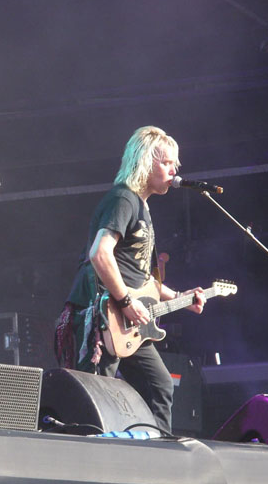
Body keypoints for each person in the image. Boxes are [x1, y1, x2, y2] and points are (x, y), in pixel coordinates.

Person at [55, 126, 205, 433]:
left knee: (159, 385)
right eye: (167, 162)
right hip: (103, 314)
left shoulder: (141, 206)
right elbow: (100, 254)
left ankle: (156, 450)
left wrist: (181, 297)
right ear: (146, 162)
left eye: (175, 164)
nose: (174, 170)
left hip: (128, 321)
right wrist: (125, 301)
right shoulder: (123, 199)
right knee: (95, 397)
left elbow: (141, 278)